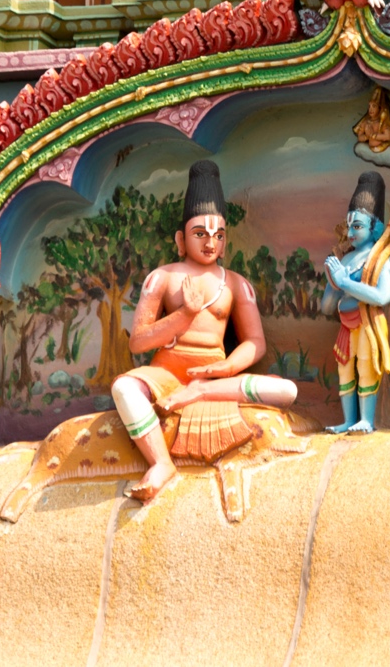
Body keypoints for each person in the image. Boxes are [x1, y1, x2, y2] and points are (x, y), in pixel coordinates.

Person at [110, 161, 297, 501]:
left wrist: (225, 368)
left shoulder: (237, 284)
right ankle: (161, 463)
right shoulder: (163, 277)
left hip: (212, 380)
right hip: (165, 373)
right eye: (200, 234)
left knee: (287, 392)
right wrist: (184, 315)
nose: (210, 242)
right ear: (181, 239)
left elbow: (255, 342)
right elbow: (138, 341)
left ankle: (197, 394)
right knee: (124, 388)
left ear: (225, 243)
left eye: (218, 236)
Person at [320, 172, 390, 434]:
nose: (351, 232)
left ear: (375, 227)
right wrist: (332, 283)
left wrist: (345, 284)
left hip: (367, 323)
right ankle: (348, 419)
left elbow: (383, 296)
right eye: (349, 226)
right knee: (345, 370)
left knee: (366, 366)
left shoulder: (380, 260)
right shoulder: (345, 260)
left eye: (358, 226)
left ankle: (366, 419)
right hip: (346, 325)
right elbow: (326, 308)